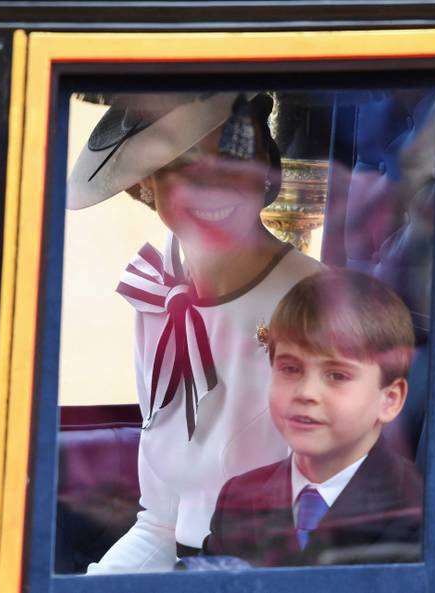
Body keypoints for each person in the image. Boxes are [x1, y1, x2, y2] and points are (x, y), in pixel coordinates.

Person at [67, 92, 322, 572]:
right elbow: (161, 522)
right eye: (182, 165)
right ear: (146, 185)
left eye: (232, 155)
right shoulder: (157, 293)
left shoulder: (320, 304)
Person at [201, 268, 423, 567]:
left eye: (337, 375)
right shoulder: (239, 497)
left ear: (390, 399)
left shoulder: (421, 509)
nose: (306, 392)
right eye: (290, 369)